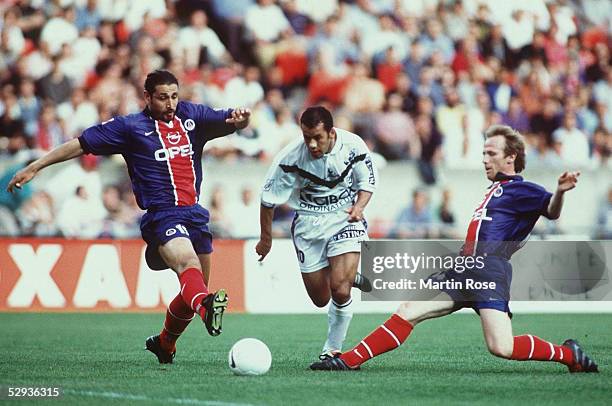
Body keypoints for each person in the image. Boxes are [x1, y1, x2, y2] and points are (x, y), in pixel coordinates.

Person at [7, 69, 251, 364]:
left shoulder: (192, 116)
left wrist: (242, 119)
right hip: (162, 215)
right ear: (147, 97)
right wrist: (35, 167)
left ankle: (165, 344)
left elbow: (230, 120)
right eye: (162, 98)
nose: (170, 103)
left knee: (193, 289)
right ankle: (207, 306)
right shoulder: (129, 127)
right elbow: (80, 143)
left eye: (174, 96)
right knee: (190, 268)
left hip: (195, 215)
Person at [310, 124, 598, 373]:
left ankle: (569, 354)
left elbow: (551, 210)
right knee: (409, 309)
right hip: (464, 267)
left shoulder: (522, 189)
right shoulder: (493, 190)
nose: (484, 159)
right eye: (484, 153)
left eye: (491, 154)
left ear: (511, 158)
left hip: (489, 271)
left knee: (502, 347)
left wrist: (559, 191)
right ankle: (347, 360)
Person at [256, 106, 377, 361]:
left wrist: (359, 207)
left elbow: (367, 182)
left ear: (331, 133)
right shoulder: (289, 158)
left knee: (340, 291)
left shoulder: (353, 146)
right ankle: (349, 276)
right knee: (321, 298)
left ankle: (331, 350)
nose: (311, 144)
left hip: (345, 218)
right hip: (308, 224)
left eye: (317, 138)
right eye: (306, 137)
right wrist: (265, 240)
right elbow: (268, 200)